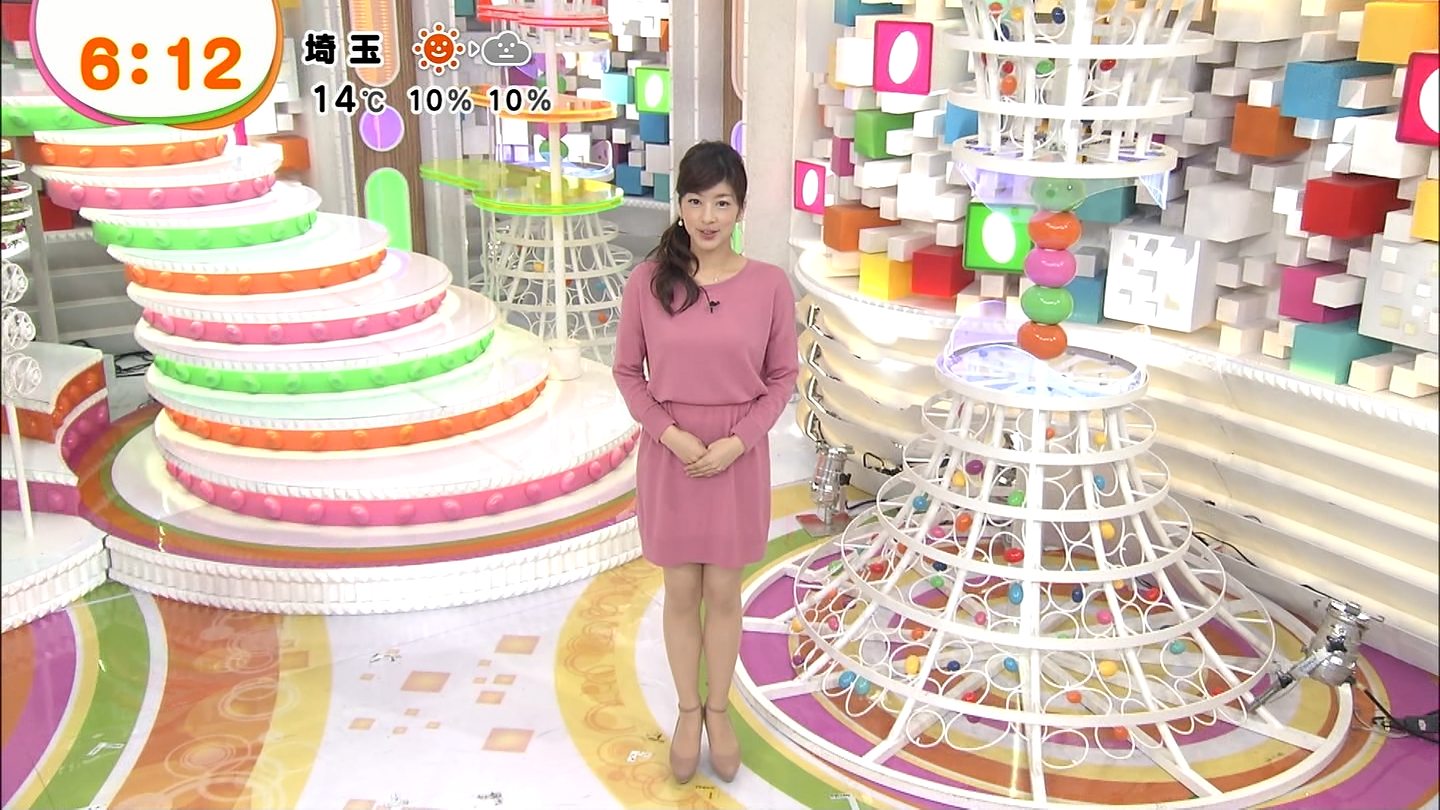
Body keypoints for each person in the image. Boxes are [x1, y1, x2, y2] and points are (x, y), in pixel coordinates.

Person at [612, 141, 800, 785]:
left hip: (736, 457)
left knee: (723, 590)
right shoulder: (647, 283)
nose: (707, 216)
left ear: (740, 208)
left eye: (721, 203)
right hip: (673, 457)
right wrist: (670, 435)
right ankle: (687, 711)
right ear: (680, 205)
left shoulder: (769, 285)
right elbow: (627, 373)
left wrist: (738, 442)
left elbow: (781, 377)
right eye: (695, 201)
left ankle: (719, 710)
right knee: (681, 590)